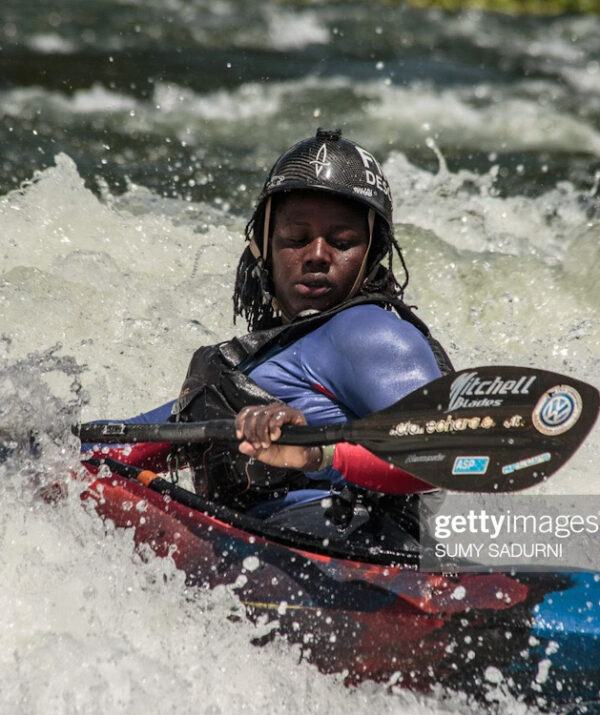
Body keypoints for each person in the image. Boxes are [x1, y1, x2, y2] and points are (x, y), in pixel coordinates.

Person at [86, 129, 453, 538]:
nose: (317, 255)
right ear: (265, 245)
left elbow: (441, 453)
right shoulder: (260, 360)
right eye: (296, 238)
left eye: (343, 241)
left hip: (351, 553)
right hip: (256, 553)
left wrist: (318, 453)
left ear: (371, 255)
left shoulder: (369, 332)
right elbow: (132, 442)